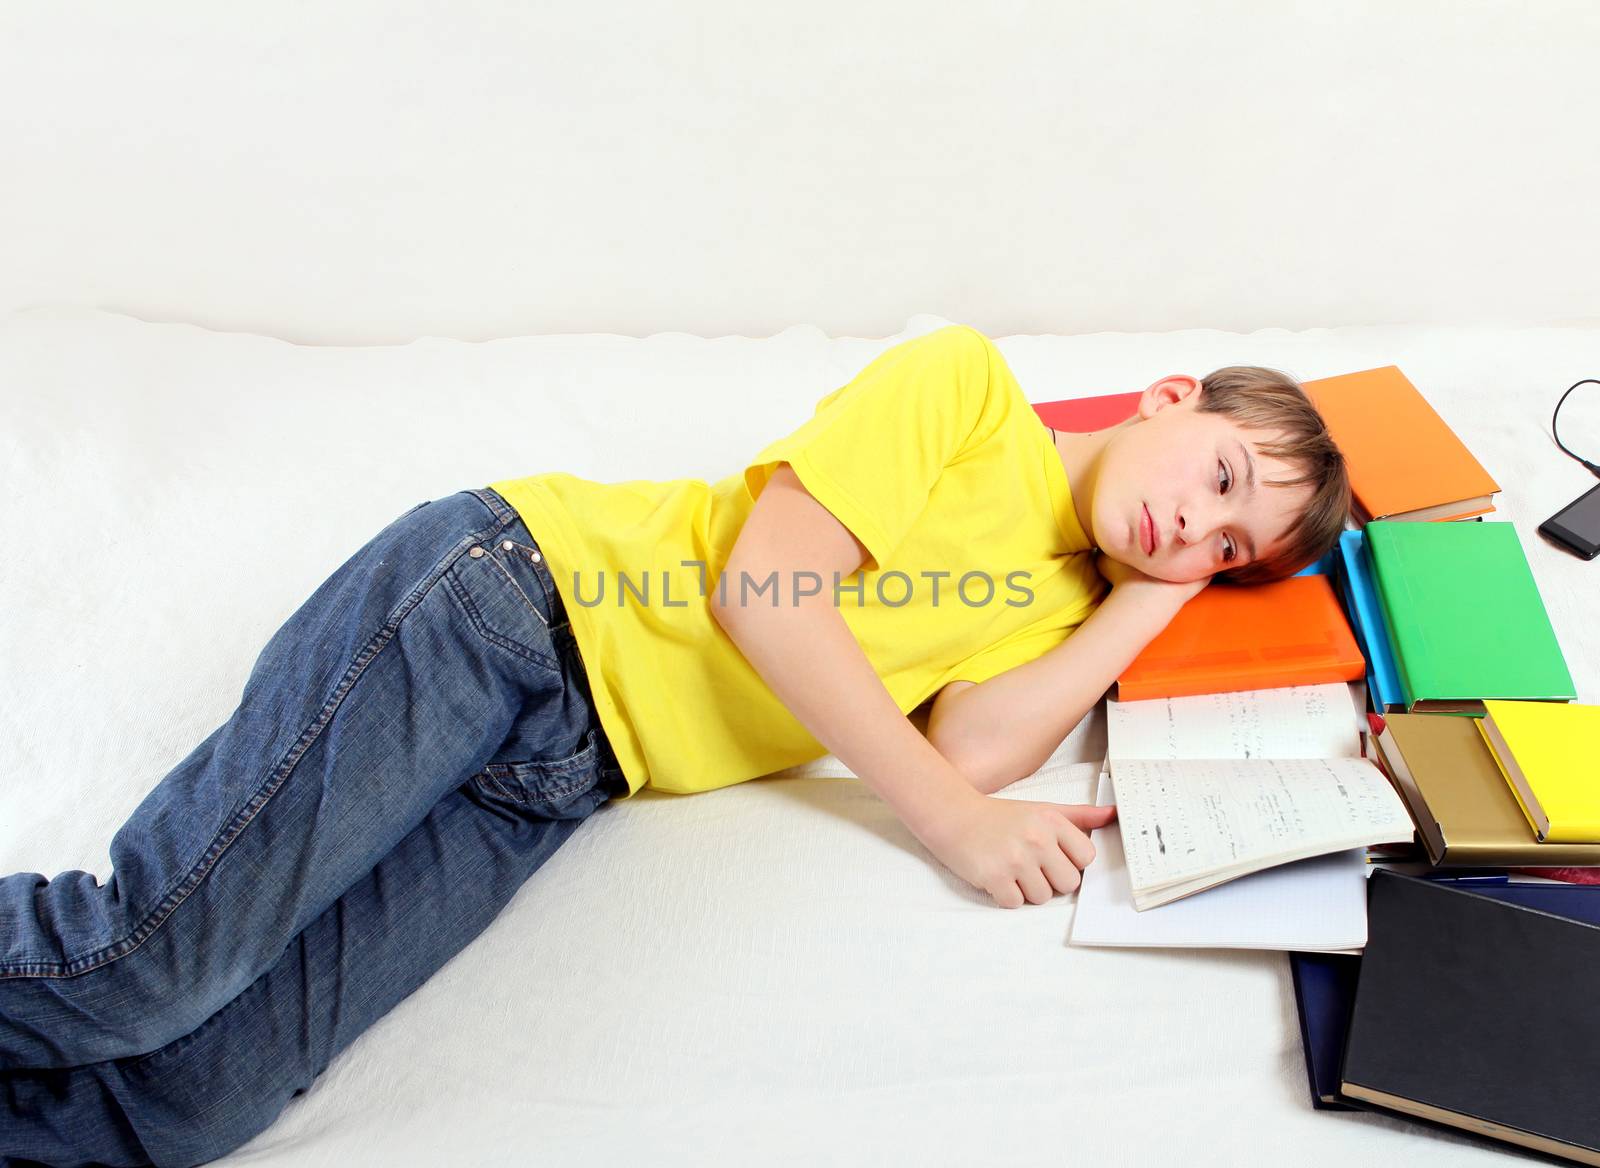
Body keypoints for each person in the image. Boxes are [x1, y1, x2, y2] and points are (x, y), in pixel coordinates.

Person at [0, 324, 1350, 1166]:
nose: (1197, 524)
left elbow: (978, 747)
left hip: (567, 773)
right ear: (1173, 397)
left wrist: (1145, 603)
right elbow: (766, 585)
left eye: (1231, 549)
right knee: (145, 965)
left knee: (191, 1102)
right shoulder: (969, 392)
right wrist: (943, 822)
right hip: (509, 603)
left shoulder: (1071, 601)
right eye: (1219, 475)